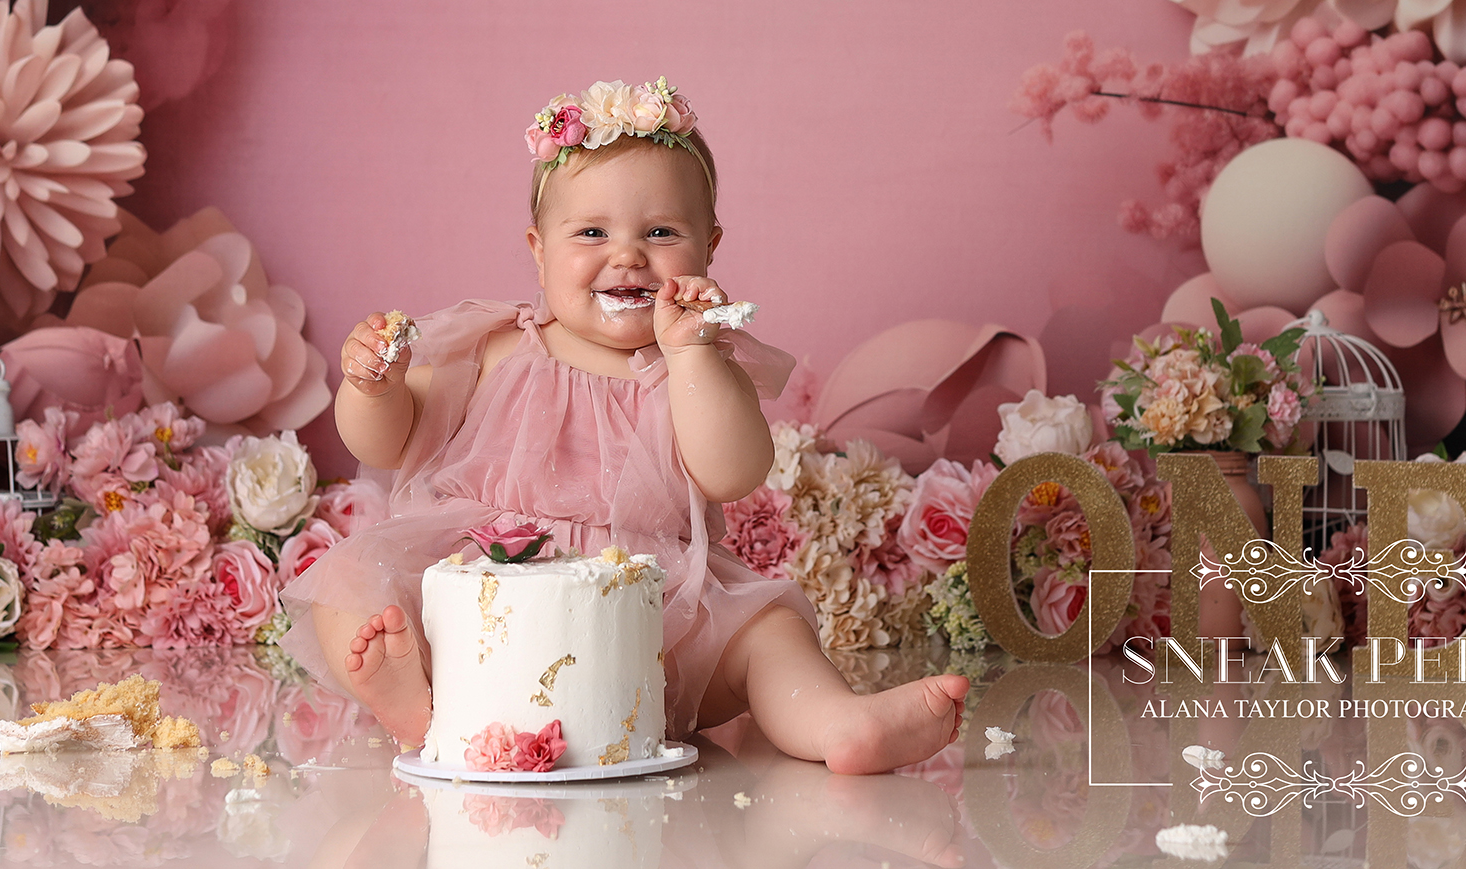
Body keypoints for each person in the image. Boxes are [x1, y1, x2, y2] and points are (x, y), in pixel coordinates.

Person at [279, 78, 967, 775]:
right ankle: (422, 704)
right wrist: (374, 388)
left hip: (647, 620)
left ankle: (835, 722)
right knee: (353, 585)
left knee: (771, 631)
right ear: (538, 249)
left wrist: (693, 354)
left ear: (710, 246)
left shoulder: (690, 367)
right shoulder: (493, 347)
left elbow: (734, 471)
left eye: (661, 232)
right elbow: (387, 441)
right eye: (591, 232)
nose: (628, 254)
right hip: (479, 592)